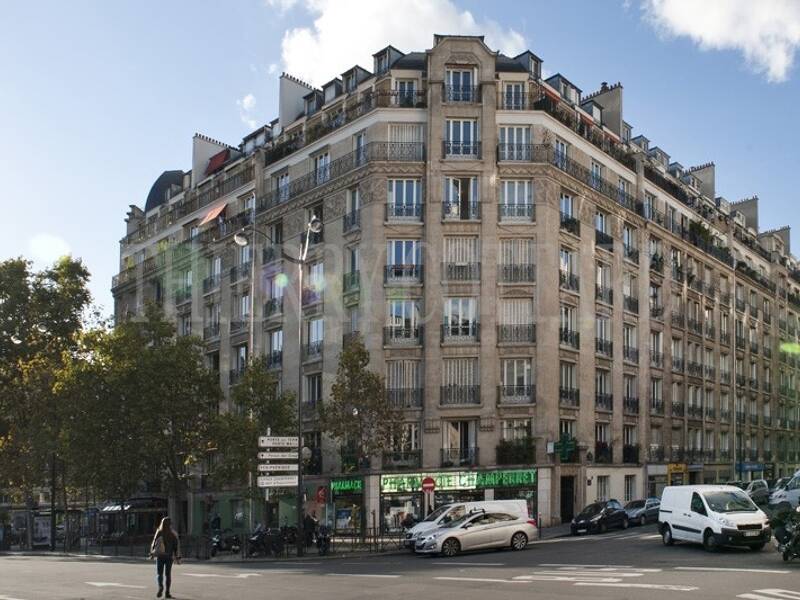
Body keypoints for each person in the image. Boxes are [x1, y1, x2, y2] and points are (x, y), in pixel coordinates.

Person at [150, 516, 181, 599]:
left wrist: (152, 554)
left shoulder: (159, 532)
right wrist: (177, 557)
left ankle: (160, 587)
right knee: (168, 575)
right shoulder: (173, 534)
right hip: (169, 556)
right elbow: (176, 546)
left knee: (159, 574)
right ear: (170, 524)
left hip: (160, 556)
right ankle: (167, 592)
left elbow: (154, 543)